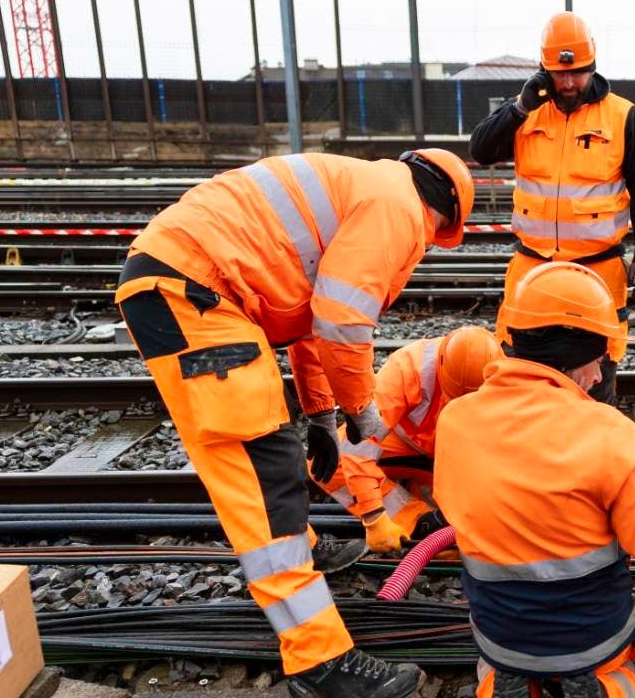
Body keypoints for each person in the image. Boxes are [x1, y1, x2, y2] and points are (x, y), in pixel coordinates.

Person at [115, 150, 473, 698]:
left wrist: (322, 417)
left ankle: (300, 550)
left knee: (270, 449)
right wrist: (358, 409)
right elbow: (342, 320)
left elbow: (310, 326)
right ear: (445, 217)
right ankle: (318, 660)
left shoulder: (366, 188)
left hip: (192, 286)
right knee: (262, 469)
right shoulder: (399, 209)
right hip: (194, 290)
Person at [434, 262, 635, 698]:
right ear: (577, 359)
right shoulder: (608, 433)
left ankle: (507, 679)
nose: (599, 377)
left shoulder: (454, 421)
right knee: (615, 676)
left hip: (498, 638)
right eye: (599, 362)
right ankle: (606, 685)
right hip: (591, 640)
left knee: (502, 661)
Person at [469, 11, 635, 404]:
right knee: (521, 371)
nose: (569, 82)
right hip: (533, 268)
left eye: (578, 73)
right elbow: (480, 150)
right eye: (560, 74)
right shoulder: (528, 113)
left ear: (592, 67)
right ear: (544, 71)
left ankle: (598, 450)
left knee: (596, 379)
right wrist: (518, 108)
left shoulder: (622, 116)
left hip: (597, 269)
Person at [308, 325, 501, 552]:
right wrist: (374, 517)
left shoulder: (509, 377)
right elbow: (359, 445)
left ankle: (432, 502)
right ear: (441, 367)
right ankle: (417, 520)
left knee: (460, 543)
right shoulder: (407, 369)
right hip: (405, 448)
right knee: (329, 463)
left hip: (459, 458)